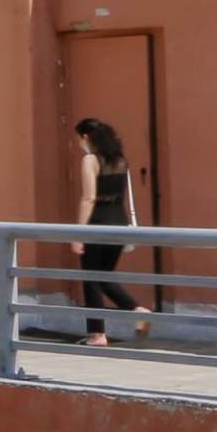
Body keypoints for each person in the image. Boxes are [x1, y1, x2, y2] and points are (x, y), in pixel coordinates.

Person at [71, 117, 146, 344]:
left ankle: (97, 333)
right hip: (119, 221)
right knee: (103, 276)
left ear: (85, 137)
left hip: (98, 222)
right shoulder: (120, 160)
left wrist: (78, 233)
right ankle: (136, 311)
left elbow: (89, 197)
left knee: (91, 277)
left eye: (78, 139)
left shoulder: (90, 160)